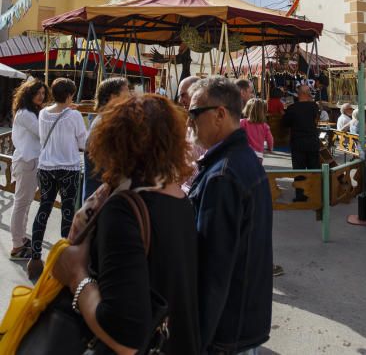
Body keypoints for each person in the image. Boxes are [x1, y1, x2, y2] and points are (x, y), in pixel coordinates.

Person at [53, 94, 201, 355]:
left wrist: (76, 275)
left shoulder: (123, 209)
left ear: (112, 141)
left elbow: (124, 337)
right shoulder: (180, 199)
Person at [188, 76, 272, 354]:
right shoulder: (242, 160)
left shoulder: (222, 176)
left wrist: (197, 340)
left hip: (225, 329)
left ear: (219, 114)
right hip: (244, 318)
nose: (189, 122)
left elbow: (213, 268)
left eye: (195, 113)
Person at [27, 77, 87, 281]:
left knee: (44, 208)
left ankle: (35, 257)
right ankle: (63, 260)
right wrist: (74, 113)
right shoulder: (75, 116)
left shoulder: (43, 113)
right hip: (68, 168)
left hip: (46, 167)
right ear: (70, 95)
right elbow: (83, 142)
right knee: (68, 211)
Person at [9, 78, 49, 261]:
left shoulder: (32, 112)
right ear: (29, 93)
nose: (41, 96)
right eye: (37, 92)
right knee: (21, 204)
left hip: (30, 161)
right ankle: (17, 246)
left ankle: (21, 238)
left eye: (43, 93)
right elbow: (43, 132)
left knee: (24, 204)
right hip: (27, 161)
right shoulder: (25, 113)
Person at [83, 76, 130, 200]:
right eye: (126, 91)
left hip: (100, 196)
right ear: (113, 96)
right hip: (101, 199)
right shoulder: (107, 121)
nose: (130, 95)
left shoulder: (107, 118)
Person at [283, 84, 320, 201]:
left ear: (299, 94)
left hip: (298, 142)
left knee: (299, 170)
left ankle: (300, 195)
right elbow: (316, 120)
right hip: (312, 142)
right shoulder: (314, 106)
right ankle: (315, 193)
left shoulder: (292, 108)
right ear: (306, 94)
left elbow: (285, 123)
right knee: (314, 169)